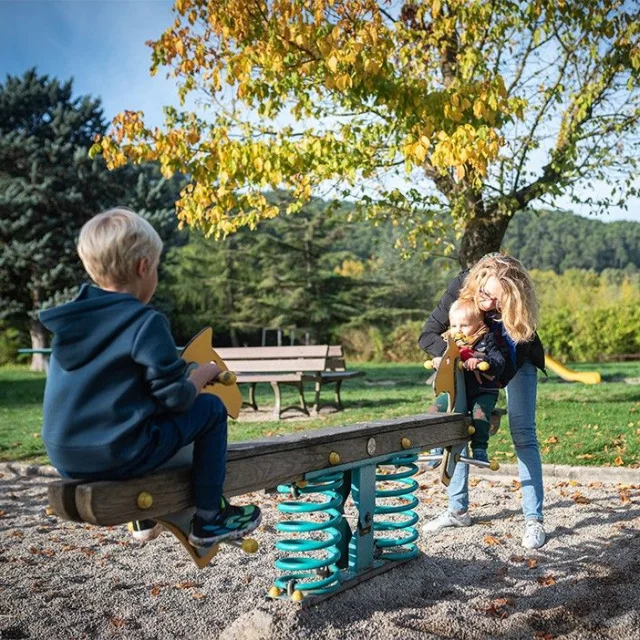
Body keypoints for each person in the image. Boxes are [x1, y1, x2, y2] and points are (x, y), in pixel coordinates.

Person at [40, 207, 261, 548]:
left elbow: (121, 392)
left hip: (66, 457)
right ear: (144, 268)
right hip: (119, 453)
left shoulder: (73, 324)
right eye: (155, 267)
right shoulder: (144, 321)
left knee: (138, 411)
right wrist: (202, 374)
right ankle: (208, 518)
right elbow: (176, 398)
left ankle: (142, 514)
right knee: (212, 410)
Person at [418, 254, 547, 550]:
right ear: (478, 281)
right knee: (459, 424)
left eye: (498, 303)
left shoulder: (516, 313)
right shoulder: (461, 287)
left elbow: (508, 363)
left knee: (523, 432)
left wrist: (487, 396)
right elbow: (426, 336)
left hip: (514, 362)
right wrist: (457, 356)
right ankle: (457, 510)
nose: (488, 305)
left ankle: (534, 519)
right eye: (486, 295)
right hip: (469, 359)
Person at [429, 298, 508, 463]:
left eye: (464, 325)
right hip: (457, 390)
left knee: (479, 414)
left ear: (479, 324)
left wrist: (482, 361)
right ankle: (435, 447)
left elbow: (499, 362)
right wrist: (439, 362)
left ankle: (479, 449)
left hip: (482, 391)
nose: (458, 330)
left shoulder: (487, 340)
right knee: (435, 410)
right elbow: (446, 360)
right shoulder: (450, 343)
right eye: (454, 325)